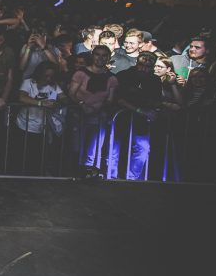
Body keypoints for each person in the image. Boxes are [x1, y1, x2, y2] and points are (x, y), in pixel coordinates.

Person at [68, 45, 118, 176]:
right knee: (76, 147)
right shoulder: (81, 73)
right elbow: (71, 93)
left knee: (93, 148)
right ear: (92, 56)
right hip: (78, 115)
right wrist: (82, 104)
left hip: (98, 117)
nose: (100, 58)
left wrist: (98, 107)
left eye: (104, 55)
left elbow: (110, 99)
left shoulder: (111, 78)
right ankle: (73, 175)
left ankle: (87, 175)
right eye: (97, 54)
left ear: (108, 57)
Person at [113, 51, 161, 180]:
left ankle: (132, 178)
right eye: (141, 65)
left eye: (148, 67)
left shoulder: (155, 80)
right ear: (136, 62)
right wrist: (140, 110)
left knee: (143, 148)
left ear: (153, 67)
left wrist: (150, 108)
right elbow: (119, 99)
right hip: (121, 118)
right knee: (115, 148)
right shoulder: (124, 75)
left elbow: (156, 100)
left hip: (141, 122)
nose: (144, 69)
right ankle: (111, 176)